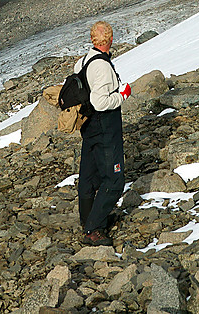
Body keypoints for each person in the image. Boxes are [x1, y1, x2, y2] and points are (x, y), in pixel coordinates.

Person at [75, 20, 131, 246]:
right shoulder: (103, 66)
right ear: (110, 40)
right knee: (114, 179)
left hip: (88, 126)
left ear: (92, 39)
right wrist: (123, 95)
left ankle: (87, 219)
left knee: (89, 175)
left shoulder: (83, 61)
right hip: (104, 126)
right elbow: (100, 102)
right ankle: (94, 229)